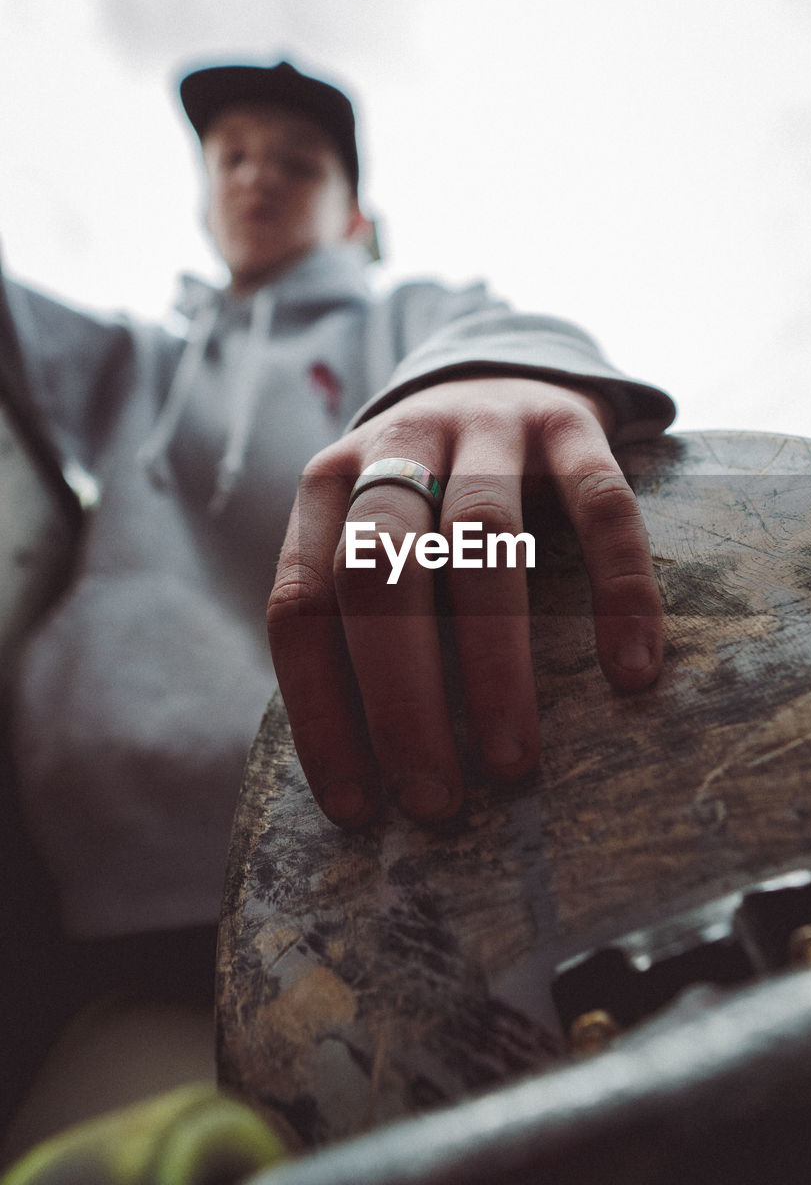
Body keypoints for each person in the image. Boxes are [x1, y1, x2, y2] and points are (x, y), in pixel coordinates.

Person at [1, 57, 675, 1145]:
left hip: (383, 853)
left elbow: (510, 334)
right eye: (232, 158)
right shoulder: (137, 365)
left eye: (297, 162)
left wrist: (481, 376)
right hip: (124, 895)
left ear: (352, 211)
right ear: (205, 196)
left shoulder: (405, 316)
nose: (258, 177)